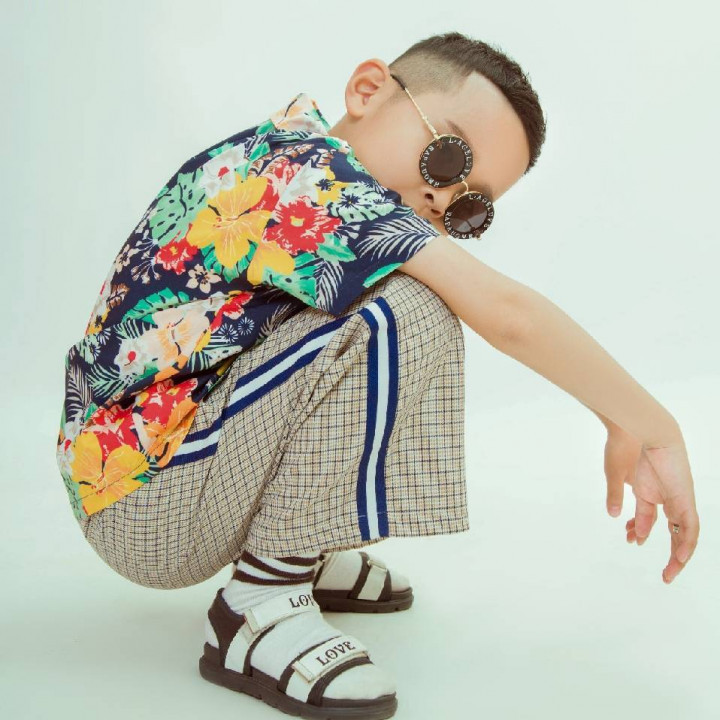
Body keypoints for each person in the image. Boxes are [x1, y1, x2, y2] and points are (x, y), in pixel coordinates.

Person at [55, 31, 699, 720]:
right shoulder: (303, 174)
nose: (439, 197)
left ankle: (294, 542)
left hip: (158, 469)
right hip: (144, 502)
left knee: (389, 299)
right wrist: (654, 426)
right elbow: (508, 315)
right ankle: (258, 605)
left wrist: (618, 416)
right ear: (368, 91)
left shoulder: (296, 163)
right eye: (447, 156)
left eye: (468, 207)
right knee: (410, 309)